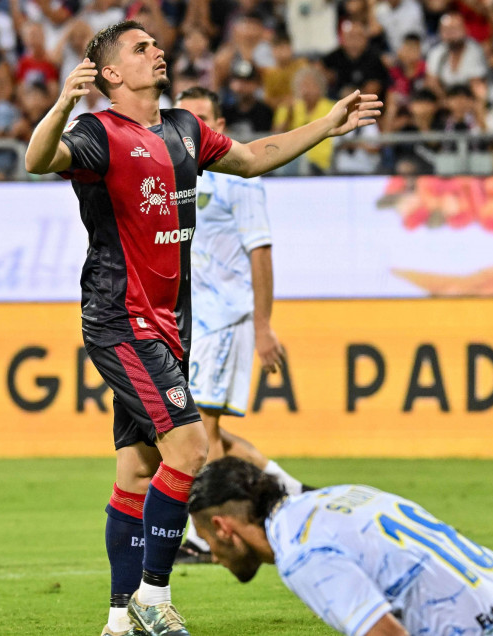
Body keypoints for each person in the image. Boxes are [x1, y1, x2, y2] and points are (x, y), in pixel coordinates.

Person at [24, 20, 380, 636]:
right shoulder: (97, 132)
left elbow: (251, 158)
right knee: (190, 448)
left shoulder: (184, 129)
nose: (156, 51)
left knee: (137, 469)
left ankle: (116, 619)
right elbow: (37, 159)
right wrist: (62, 102)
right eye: (140, 49)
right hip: (120, 317)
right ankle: (153, 598)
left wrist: (328, 125)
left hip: (168, 322)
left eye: (155, 44)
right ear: (110, 74)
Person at [171, 86, 308, 565]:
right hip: (192, 320)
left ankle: (203, 536)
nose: (191, 128)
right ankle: (294, 492)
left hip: (226, 318)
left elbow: (261, 252)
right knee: (211, 433)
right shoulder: (173, 175)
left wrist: (264, 326)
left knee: (199, 426)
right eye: (183, 119)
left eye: (202, 119)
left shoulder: (240, 181)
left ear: (219, 127)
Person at [188, 457, 493, 636]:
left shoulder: (301, 553)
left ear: (223, 528)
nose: (214, 557)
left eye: (206, 542)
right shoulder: (338, 494)